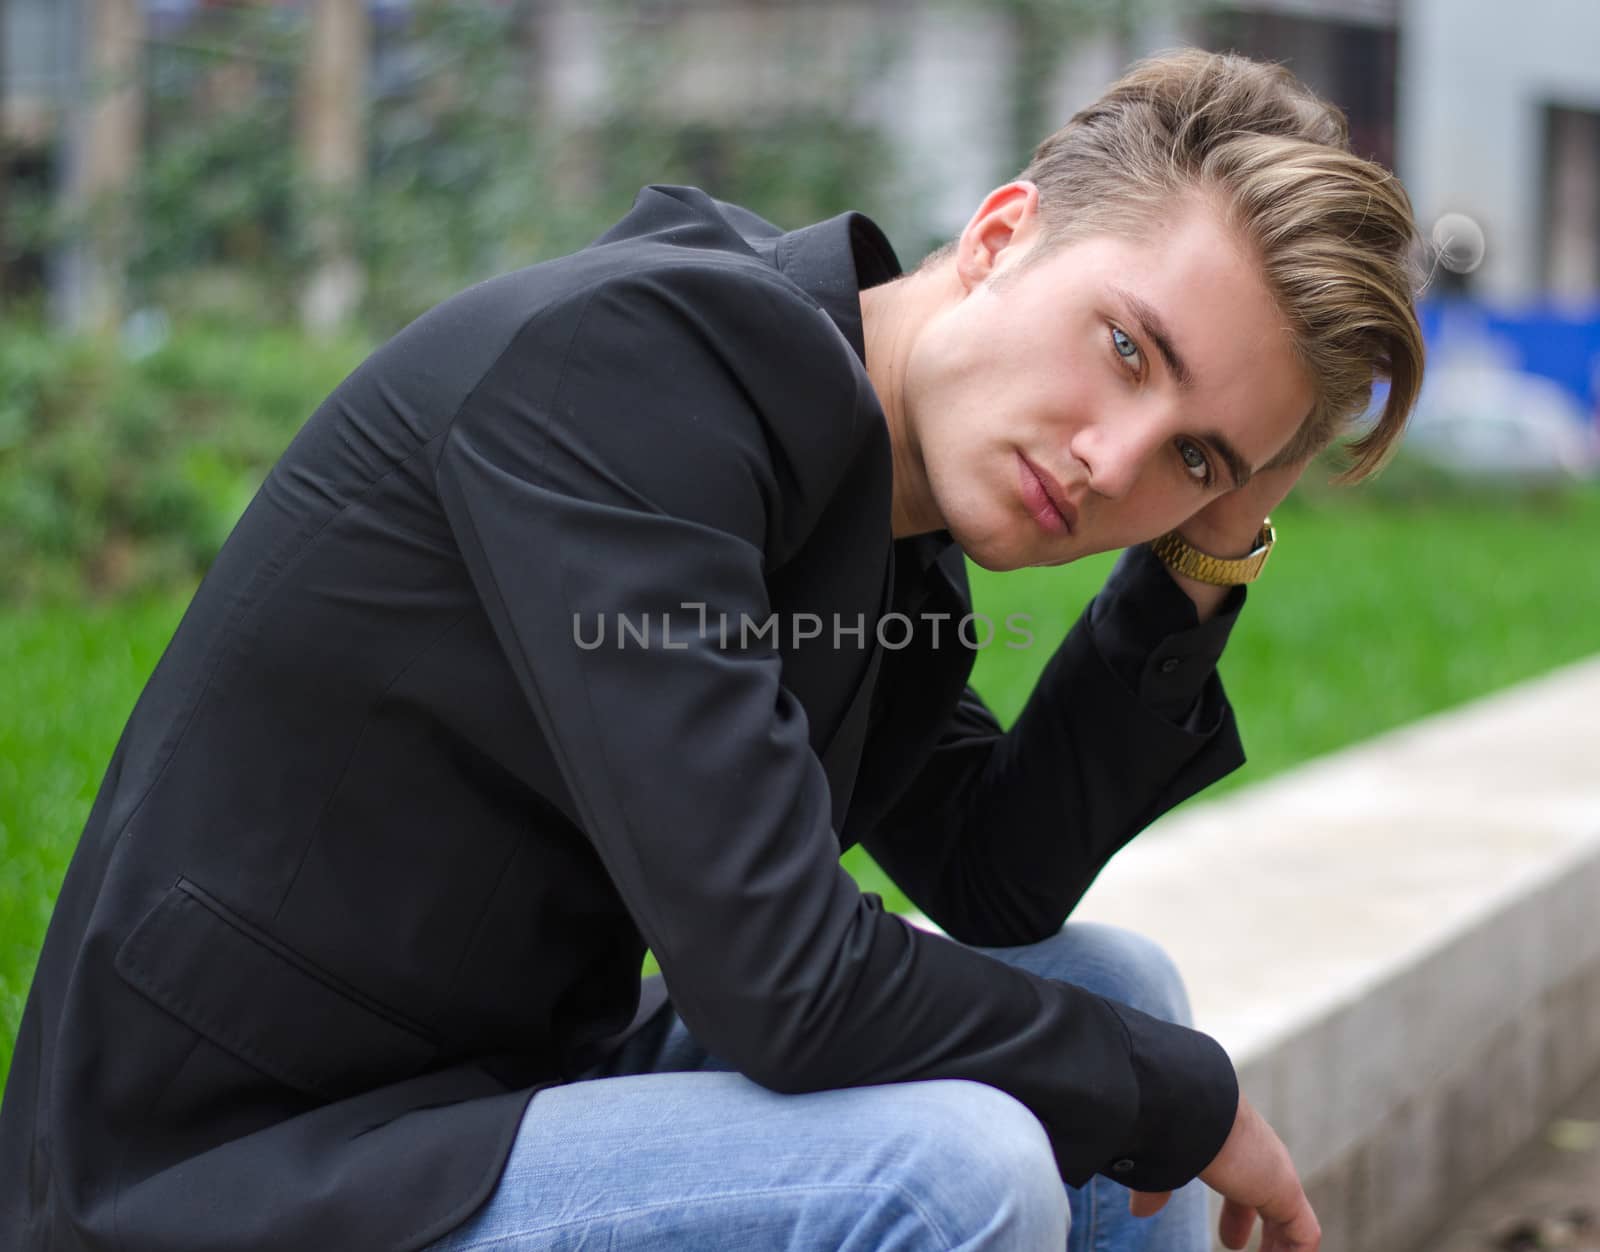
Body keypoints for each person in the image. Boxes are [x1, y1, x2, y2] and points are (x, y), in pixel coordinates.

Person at [0, 48, 1423, 1252]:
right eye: (1125, 347)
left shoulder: (883, 511)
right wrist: (1186, 1099)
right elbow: (785, 982)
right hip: (245, 1164)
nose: (1115, 464)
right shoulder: (640, 373)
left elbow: (999, 876)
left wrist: (1218, 533)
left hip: (501, 1080)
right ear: (999, 237)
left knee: (1109, 992)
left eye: (1192, 455)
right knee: (956, 1166)